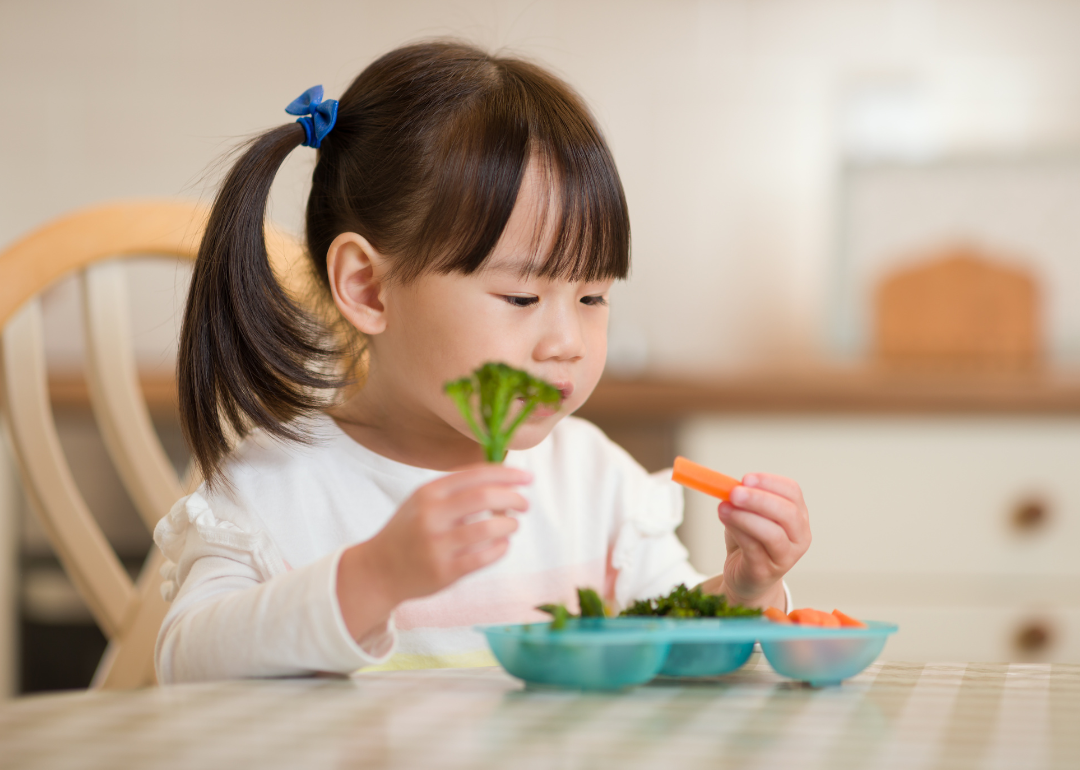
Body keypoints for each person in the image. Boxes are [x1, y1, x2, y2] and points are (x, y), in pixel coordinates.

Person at [154, 41, 811, 683]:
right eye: (521, 295)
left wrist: (744, 591)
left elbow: (671, 654)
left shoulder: (594, 484)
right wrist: (374, 577)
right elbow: (184, 660)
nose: (567, 341)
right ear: (368, 288)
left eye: (593, 296)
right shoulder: (275, 490)